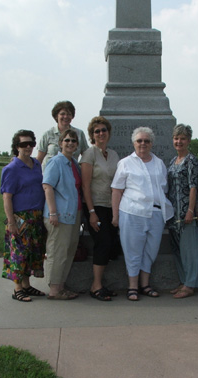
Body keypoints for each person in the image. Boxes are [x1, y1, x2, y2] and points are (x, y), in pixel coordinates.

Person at [111, 127, 174, 301]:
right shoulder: (125, 163)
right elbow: (116, 190)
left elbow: (163, 188)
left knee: (150, 251)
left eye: (146, 141)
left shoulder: (159, 163)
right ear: (133, 143)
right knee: (133, 251)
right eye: (139, 141)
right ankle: (132, 286)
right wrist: (115, 216)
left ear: (152, 143)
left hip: (155, 213)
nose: (143, 144)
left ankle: (145, 284)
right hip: (132, 212)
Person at [1, 130, 46, 302]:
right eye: (23, 144)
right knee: (18, 253)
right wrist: (12, 222)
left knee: (31, 253)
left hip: (36, 215)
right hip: (20, 217)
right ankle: (18, 288)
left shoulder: (36, 165)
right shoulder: (11, 169)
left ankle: (27, 286)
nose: (28, 147)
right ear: (16, 147)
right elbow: (7, 196)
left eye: (31, 144)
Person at [80, 116, 121, 301]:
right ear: (92, 135)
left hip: (112, 205)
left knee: (112, 245)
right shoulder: (89, 154)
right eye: (97, 131)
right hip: (95, 206)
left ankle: (102, 284)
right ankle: (95, 286)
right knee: (102, 243)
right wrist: (91, 213)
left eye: (104, 130)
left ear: (109, 133)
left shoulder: (113, 154)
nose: (101, 133)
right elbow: (85, 185)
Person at [42, 129, 83, 300]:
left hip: (73, 215)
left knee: (67, 251)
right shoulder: (56, 162)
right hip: (58, 215)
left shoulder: (73, 163)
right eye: (66, 140)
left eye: (73, 141)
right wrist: (53, 212)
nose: (70, 143)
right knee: (57, 251)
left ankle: (61, 286)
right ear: (60, 143)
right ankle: (54, 289)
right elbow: (47, 186)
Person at [167, 124, 198, 299]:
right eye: (176, 138)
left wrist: (190, 210)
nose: (179, 141)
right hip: (173, 214)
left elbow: (194, 187)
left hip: (186, 213)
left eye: (182, 138)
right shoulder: (173, 161)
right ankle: (183, 280)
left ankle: (190, 284)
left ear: (188, 140)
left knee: (190, 250)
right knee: (178, 250)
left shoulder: (191, 160)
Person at [37, 101, 88, 169]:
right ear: (56, 116)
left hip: (71, 174)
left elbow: (86, 157)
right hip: (51, 175)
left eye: (69, 114)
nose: (66, 116)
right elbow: (39, 159)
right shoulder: (47, 134)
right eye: (62, 114)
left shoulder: (79, 134)